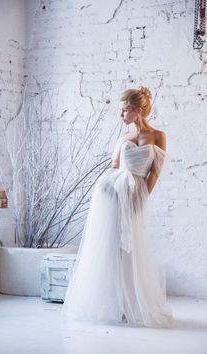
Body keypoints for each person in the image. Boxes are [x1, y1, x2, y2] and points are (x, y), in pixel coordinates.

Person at [61, 87, 174, 328]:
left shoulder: (158, 136)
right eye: (122, 109)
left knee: (130, 247)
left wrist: (142, 198)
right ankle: (113, 303)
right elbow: (115, 166)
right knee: (111, 246)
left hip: (134, 196)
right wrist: (109, 189)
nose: (121, 114)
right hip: (111, 195)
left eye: (125, 109)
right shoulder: (124, 138)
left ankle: (131, 303)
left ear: (138, 110)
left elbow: (154, 173)